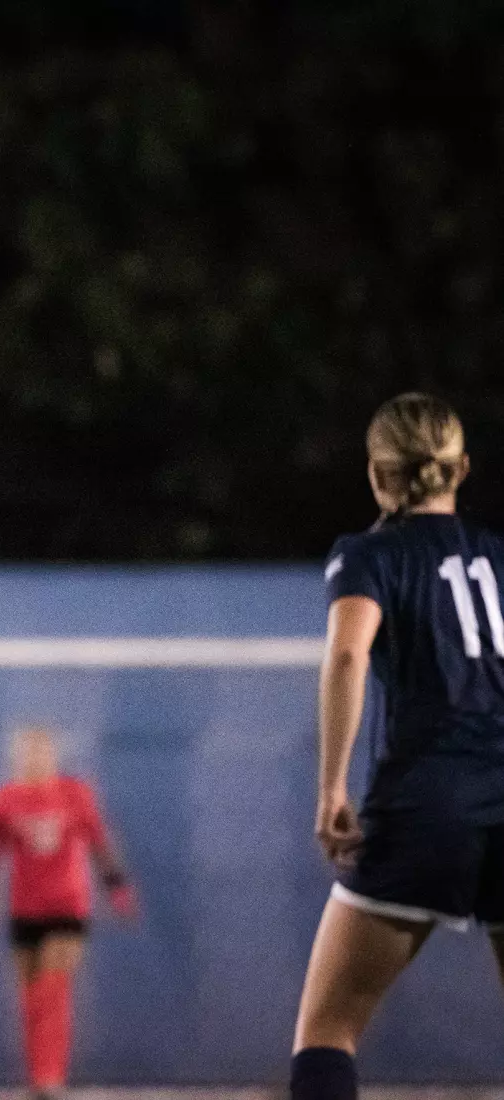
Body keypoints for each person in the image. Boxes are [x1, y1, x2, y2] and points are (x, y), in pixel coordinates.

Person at [290, 393, 504, 1100]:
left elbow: (348, 658)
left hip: (428, 800)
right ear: (461, 468)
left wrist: (331, 789)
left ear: (378, 476)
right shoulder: (498, 557)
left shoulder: (370, 555)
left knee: (326, 1033)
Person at [0, 726, 136, 1100]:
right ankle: (37, 1079)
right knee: (29, 998)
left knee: (53, 990)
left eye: (42, 753)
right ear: (17, 760)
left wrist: (116, 887)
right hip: (25, 910)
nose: (35, 761)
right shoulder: (3, 801)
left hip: (68, 907)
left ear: (54, 756)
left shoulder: (74, 794)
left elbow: (100, 843)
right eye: (28, 754)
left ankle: (50, 1076)